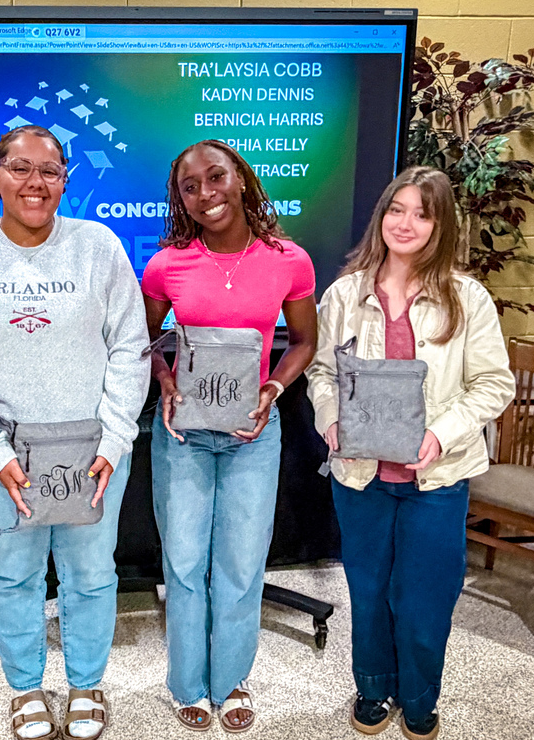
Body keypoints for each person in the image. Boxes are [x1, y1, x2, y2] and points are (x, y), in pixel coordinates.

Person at [0, 125, 149, 740]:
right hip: (2, 454)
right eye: (20, 168)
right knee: (13, 570)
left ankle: (85, 683)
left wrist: (113, 439)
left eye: (50, 170)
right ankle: (24, 688)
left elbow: (130, 348)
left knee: (90, 573)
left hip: (93, 451)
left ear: (65, 180)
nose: (35, 182)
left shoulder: (98, 246)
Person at [306, 166, 515, 740]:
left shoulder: (467, 298)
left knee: (424, 600)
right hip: (359, 474)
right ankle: (372, 687)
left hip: (437, 480)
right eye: (397, 209)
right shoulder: (345, 295)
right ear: (381, 215)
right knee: (368, 591)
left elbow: (494, 385)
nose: (406, 223)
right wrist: (330, 417)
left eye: (422, 213)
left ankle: (420, 698)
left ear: (441, 224)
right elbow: (322, 373)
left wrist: (441, 432)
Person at [142, 140, 318, 733]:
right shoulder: (167, 264)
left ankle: (233, 677)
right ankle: (188, 683)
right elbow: (143, 345)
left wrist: (272, 389)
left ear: (240, 179)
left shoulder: (289, 260)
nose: (205, 194)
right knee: (186, 564)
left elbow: (305, 342)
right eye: (190, 187)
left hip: (251, 435)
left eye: (216, 178)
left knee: (241, 565)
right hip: (184, 436)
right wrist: (164, 378)